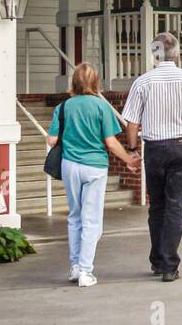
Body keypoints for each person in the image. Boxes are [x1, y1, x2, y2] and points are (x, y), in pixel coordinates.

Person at [122, 32, 182, 282]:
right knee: (176, 206)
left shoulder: (143, 82)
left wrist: (132, 149)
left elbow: (132, 121)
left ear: (155, 54)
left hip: (154, 148)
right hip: (181, 146)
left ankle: (159, 260)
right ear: (178, 54)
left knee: (157, 206)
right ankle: (169, 264)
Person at [47, 62, 139, 288]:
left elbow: (51, 140)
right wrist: (129, 160)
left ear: (74, 82)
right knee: (91, 220)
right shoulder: (101, 106)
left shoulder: (64, 106)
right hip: (95, 167)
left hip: (70, 165)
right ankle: (86, 271)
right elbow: (110, 142)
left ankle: (75, 266)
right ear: (95, 82)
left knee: (74, 216)